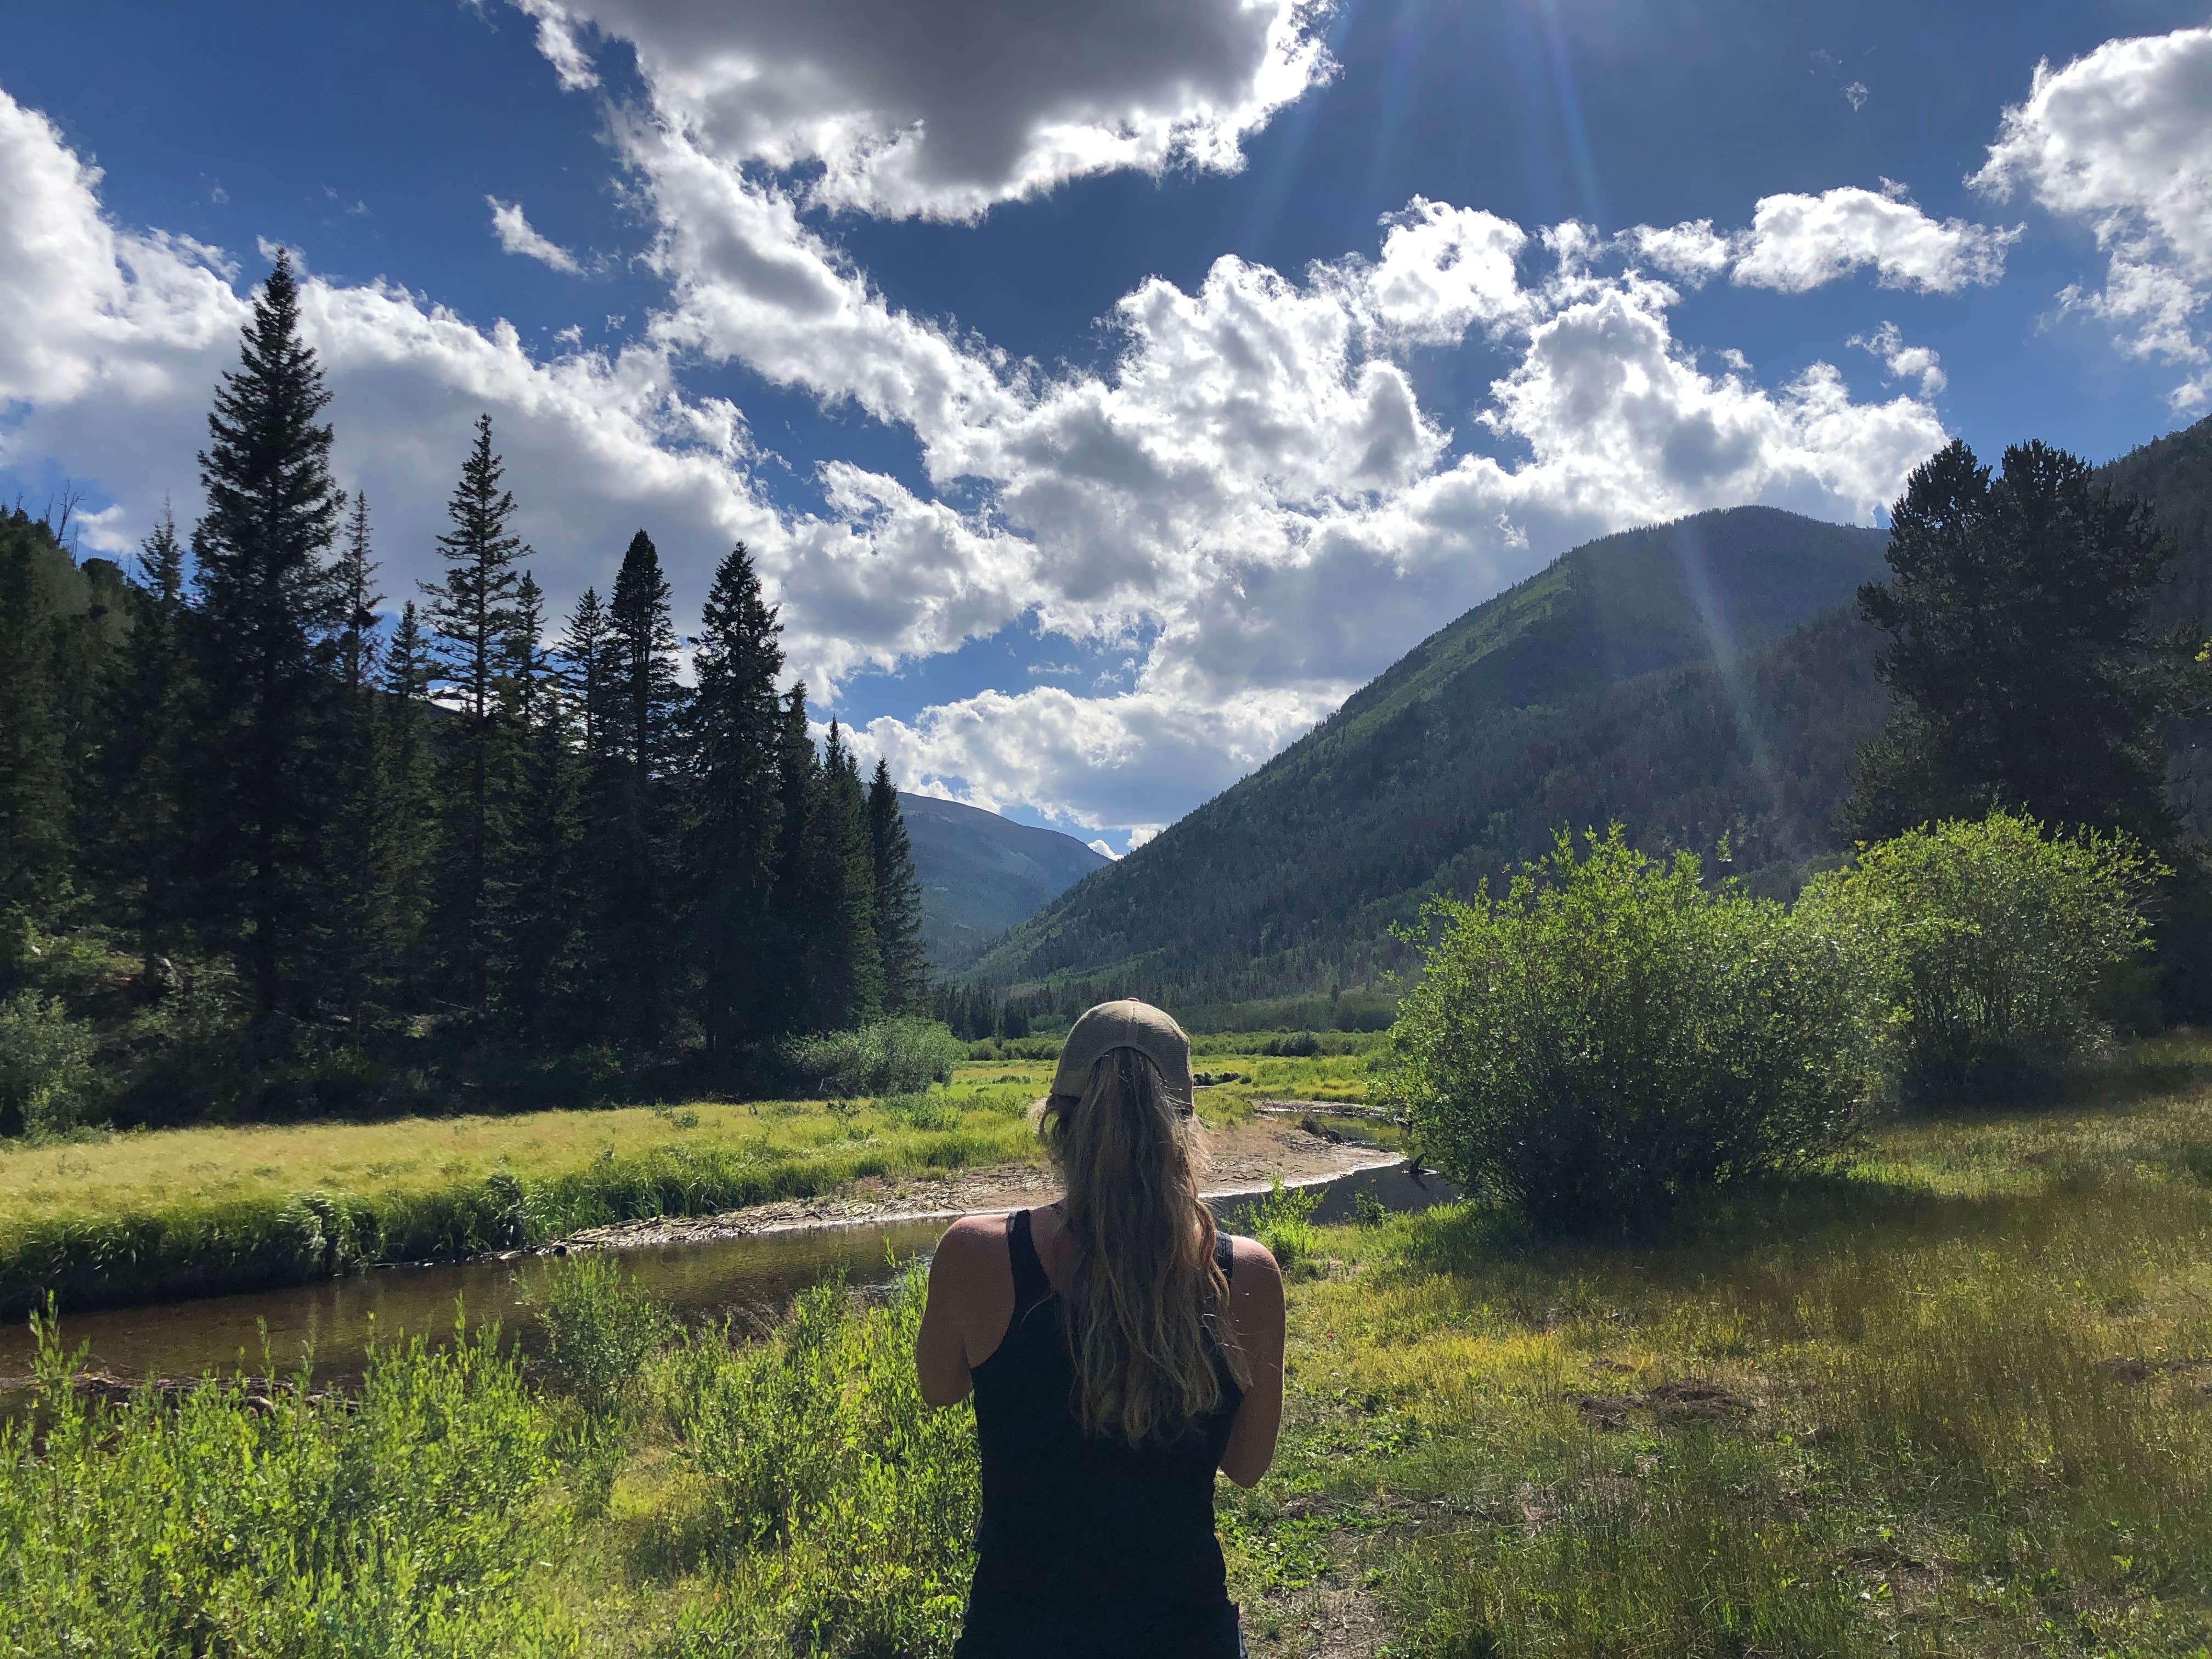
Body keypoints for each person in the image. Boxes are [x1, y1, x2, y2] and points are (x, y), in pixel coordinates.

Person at [916, 1000, 1287, 1658]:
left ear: (1058, 1123)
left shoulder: (972, 1254)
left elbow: (941, 1389)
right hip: (1184, 1634)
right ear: (1186, 1132)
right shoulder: (1246, 1277)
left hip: (1016, 1636)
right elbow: (1248, 1466)